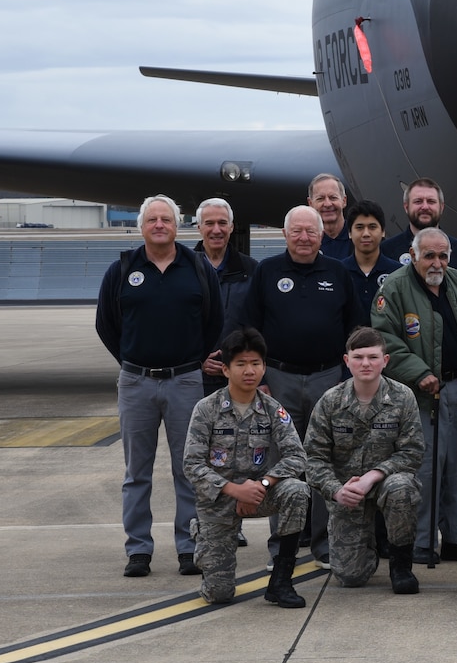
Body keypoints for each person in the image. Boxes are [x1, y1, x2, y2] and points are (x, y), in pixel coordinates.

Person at [95, 194, 222, 578]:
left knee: (189, 470)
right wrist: (133, 361)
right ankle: (139, 550)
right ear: (142, 226)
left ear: (177, 224)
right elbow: (107, 324)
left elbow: (214, 321)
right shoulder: (122, 269)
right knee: (137, 472)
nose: (160, 225)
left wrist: (192, 360)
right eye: (153, 219)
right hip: (136, 383)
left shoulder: (197, 267)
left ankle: (189, 546)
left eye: (166, 219)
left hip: (185, 381)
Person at [233, 205, 365, 569]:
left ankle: (323, 543)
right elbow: (249, 328)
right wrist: (260, 380)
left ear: (322, 236)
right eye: (297, 231)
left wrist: (345, 380)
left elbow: (356, 328)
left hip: (328, 379)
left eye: (311, 232)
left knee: (325, 462)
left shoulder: (338, 272)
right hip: (279, 379)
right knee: (282, 463)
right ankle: (283, 544)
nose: (304, 238)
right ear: (285, 234)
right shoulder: (267, 272)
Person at [372, 227, 457, 564]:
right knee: (424, 469)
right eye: (429, 255)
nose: (436, 262)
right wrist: (419, 372)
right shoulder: (393, 287)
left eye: (443, 255)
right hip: (417, 395)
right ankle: (420, 542)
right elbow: (384, 338)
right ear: (413, 256)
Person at [182, 328, 310, 607]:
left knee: (297, 490)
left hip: (258, 495)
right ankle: (204, 537)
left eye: (255, 363)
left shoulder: (272, 408)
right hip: (219, 501)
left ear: (264, 367)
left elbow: (297, 456)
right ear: (226, 370)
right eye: (241, 364)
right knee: (218, 594)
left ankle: (281, 580)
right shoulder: (207, 409)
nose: (249, 370)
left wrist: (262, 485)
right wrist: (235, 490)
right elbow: (191, 465)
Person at [304, 327, 424, 593]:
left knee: (402, 488)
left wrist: (374, 475)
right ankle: (365, 542)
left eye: (372, 357)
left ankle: (401, 565)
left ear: (385, 360)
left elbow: (412, 451)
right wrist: (336, 491)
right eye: (358, 357)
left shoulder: (403, 397)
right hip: (348, 492)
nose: (365, 364)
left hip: (385, 483)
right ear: (346, 361)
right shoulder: (331, 401)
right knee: (351, 577)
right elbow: (313, 458)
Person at [193, 198, 259, 396]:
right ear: (199, 227)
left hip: (240, 378)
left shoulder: (252, 270)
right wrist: (199, 359)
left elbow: (259, 325)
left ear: (231, 227)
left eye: (222, 223)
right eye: (209, 223)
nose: (216, 230)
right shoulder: (183, 270)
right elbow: (174, 325)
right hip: (194, 379)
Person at [380, 177, 457, 274]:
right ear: (406, 207)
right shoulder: (386, 251)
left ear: (441, 207)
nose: (425, 207)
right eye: (418, 201)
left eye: (431, 201)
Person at [341, 199, 401, 313]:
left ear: (383, 231)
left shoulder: (398, 273)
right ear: (349, 233)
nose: (366, 234)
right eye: (359, 227)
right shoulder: (339, 272)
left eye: (372, 227)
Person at [308, 173, 352, 260]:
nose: (327, 204)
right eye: (320, 198)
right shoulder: (307, 242)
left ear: (344, 201)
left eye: (333, 197)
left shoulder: (359, 238)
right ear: (310, 204)